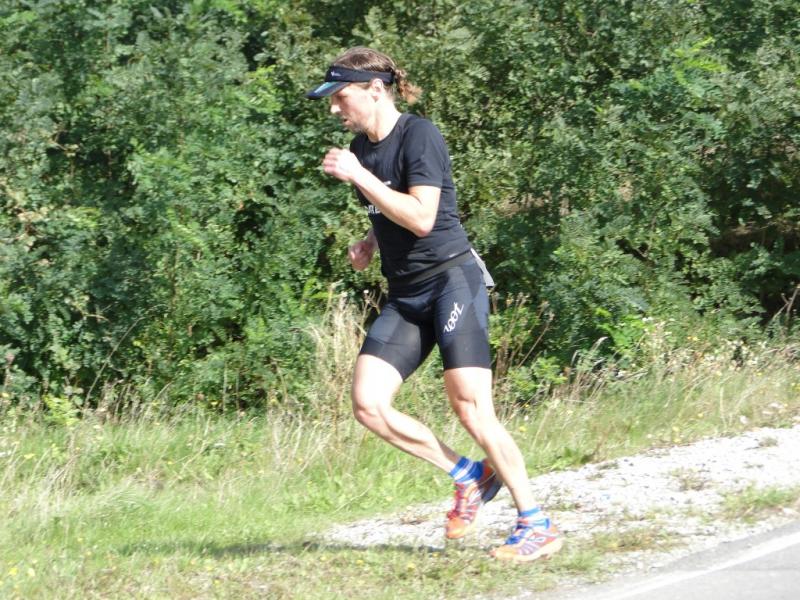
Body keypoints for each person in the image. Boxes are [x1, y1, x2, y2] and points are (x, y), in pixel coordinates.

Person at [306, 46, 562, 562]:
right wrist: (369, 242)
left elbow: (424, 217)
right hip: (407, 294)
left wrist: (358, 176)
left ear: (374, 90)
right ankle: (469, 475)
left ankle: (536, 524)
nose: (334, 108)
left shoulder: (419, 135)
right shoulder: (362, 148)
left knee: (470, 407)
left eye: (341, 96)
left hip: (451, 282)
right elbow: (390, 209)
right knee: (368, 404)